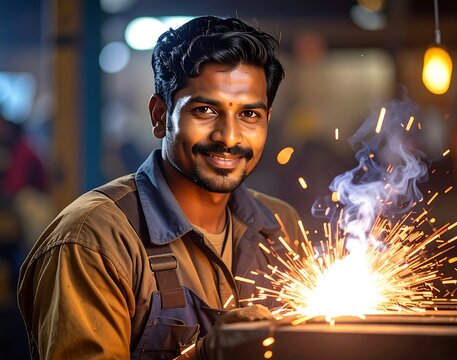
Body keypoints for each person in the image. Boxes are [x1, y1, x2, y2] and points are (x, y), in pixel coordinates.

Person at [17, 16, 302, 359]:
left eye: (249, 115)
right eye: (205, 110)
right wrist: (204, 355)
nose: (228, 137)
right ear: (160, 115)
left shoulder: (278, 225)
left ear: (267, 119)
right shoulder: (93, 239)